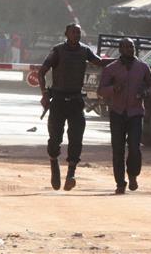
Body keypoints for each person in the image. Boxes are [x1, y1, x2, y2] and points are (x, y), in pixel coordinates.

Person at [38, 23, 103, 191]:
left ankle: (71, 174)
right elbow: (41, 71)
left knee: (76, 137)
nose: (76, 35)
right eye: (73, 32)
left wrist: (121, 61)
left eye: (78, 32)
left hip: (76, 100)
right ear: (66, 33)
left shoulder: (85, 50)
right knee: (55, 139)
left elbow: (100, 62)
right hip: (58, 100)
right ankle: (54, 165)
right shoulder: (57, 50)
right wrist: (45, 93)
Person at [97, 38, 151, 194]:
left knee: (135, 147)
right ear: (120, 49)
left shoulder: (143, 67)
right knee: (118, 149)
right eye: (127, 47)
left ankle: (133, 175)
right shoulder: (111, 69)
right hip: (117, 113)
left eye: (132, 46)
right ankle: (120, 183)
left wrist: (145, 93)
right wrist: (113, 89)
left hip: (136, 113)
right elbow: (101, 90)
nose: (131, 49)